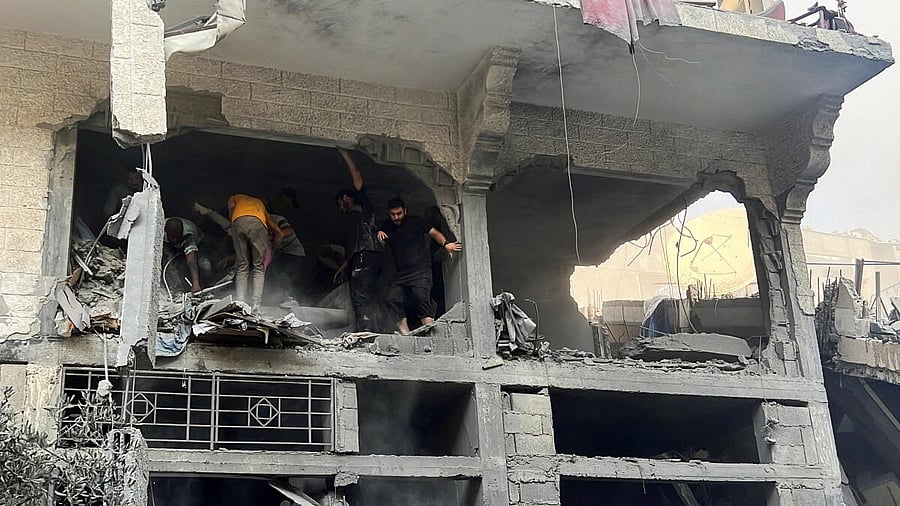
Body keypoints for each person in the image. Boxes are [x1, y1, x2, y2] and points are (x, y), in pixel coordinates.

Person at [377, 197, 462, 334]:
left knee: (421, 298)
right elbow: (381, 231)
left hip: (420, 270)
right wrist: (379, 232)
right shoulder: (387, 225)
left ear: (405, 211)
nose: (396, 217)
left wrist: (446, 244)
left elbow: (434, 233)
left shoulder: (416, 222)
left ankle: (431, 335)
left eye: (399, 213)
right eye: (393, 214)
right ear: (389, 214)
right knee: (392, 298)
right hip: (401, 274)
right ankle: (406, 335)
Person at [335, 148, 383, 331]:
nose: (340, 207)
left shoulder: (362, 205)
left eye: (340, 202)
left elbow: (357, 177)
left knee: (361, 294)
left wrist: (344, 153)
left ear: (346, 198)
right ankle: (370, 329)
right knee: (363, 294)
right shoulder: (351, 220)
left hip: (367, 254)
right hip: (362, 256)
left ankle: (366, 331)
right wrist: (346, 263)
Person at [227, 194, 284, 311]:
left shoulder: (235, 197)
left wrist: (232, 223)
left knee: (242, 265)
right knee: (259, 267)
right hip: (258, 224)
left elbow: (231, 206)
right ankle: (256, 303)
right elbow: (279, 233)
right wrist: (275, 247)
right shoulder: (260, 204)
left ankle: (240, 301)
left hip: (238, 221)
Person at [424, 206, 456, 316]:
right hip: (429, 266)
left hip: (438, 267)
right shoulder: (427, 231)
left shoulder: (440, 231)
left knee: (440, 293)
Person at [163, 217, 206, 293]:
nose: (175, 240)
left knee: (203, 264)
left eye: (177, 236)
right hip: (168, 244)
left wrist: (196, 284)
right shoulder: (159, 232)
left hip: (196, 240)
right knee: (170, 264)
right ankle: (175, 290)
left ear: (182, 231)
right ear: (166, 232)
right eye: (172, 237)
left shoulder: (190, 232)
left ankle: (204, 283)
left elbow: (191, 260)